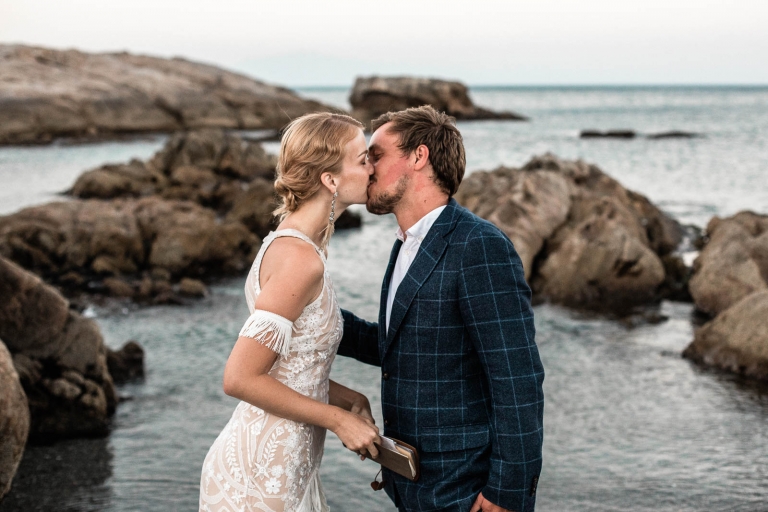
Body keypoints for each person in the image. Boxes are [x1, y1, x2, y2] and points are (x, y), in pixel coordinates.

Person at [338, 106, 545, 512]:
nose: (366, 168)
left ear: (419, 156)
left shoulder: (479, 246)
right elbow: (400, 346)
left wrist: (507, 491)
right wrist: (313, 319)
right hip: (415, 484)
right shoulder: (404, 245)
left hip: (467, 491)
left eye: (376, 154)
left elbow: (518, 380)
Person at [200, 112, 381, 512]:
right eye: (363, 158)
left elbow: (291, 370)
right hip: (262, 473)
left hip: (288, 467)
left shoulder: (288, 245)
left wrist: (348, 398)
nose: (374, 168)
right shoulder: (300, 260)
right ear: (330, 180)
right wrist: (337, 419)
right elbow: (241, 377)